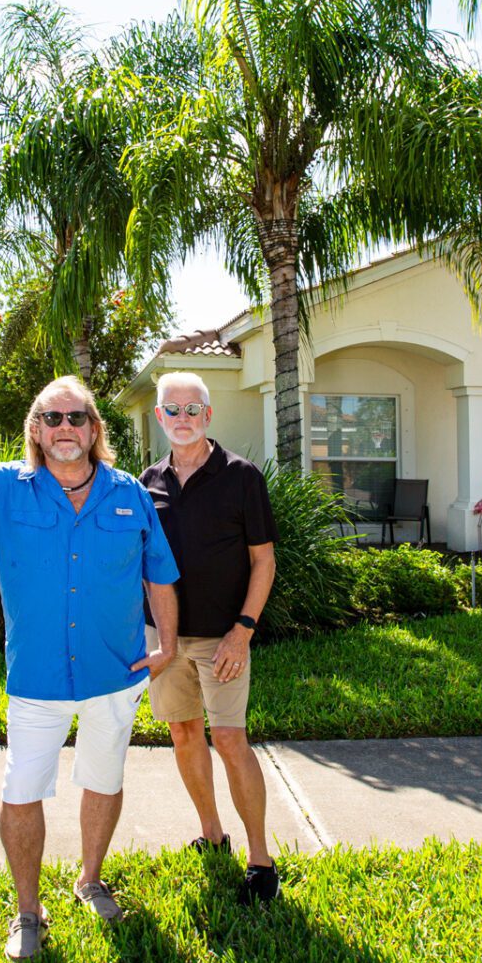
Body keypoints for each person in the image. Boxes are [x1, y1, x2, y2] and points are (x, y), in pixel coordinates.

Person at [0, 371, 179, 963]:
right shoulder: (4, 488)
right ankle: (27, 910)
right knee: (22, 789)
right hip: (36, 677)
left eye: (77, 417)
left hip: (115, 671)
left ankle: (89, 879)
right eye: (53, 418)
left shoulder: (128, 494)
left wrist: (167, 645)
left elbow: (157, 568)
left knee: (104, 778)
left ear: (94, 429)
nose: (66, 428)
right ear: (35, 429)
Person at [139, 373, 281, 901]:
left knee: (229, 738)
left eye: (191, 409)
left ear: (208, 415)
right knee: (182, 733)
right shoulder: (146, 481)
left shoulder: (242, 477)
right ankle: (212, 834)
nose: (182, 419)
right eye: (171, 411)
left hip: (224, 638)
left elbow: (263, 561)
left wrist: (242, 632)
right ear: (159, 417)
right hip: (167, 638)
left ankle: (261, 861)